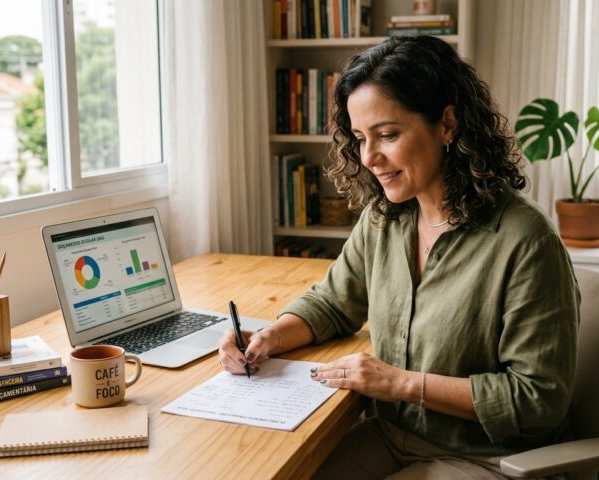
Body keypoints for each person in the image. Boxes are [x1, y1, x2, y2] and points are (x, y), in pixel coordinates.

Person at [219, 35, 579, 478]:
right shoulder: (384, 218)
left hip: (488, 457)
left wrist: (399, 383)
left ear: (447, 124)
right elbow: (332, 303)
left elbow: (539, 399)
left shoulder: (525, 240)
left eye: (387, 135)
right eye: (359, 138)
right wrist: (267, 339)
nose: (369, 157)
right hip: (389, 435)